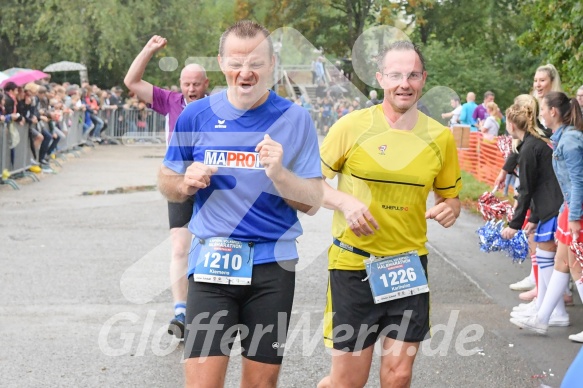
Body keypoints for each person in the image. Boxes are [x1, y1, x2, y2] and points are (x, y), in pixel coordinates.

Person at [158, 20, 322, 387]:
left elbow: (313, 201)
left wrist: (281, 174)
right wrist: (184, 183)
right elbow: (166, 179)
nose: (245, 73)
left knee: (261, 385)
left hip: (272, 267)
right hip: (212, 264)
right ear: (220, 62)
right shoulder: (196, 115)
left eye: (256, 63)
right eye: (236, 63)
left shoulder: (294, 120)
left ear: (272, 64)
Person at [317, 40, 462, 388]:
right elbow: (311, 185)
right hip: (354, 265)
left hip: (408, 268)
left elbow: (451, 198)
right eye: (396, 75)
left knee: (398, 376)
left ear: (423, 79)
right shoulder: (351, 127)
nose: (404, 83)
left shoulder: (439, 137)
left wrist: (450, 210)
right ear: (380, 78)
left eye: (412, 75)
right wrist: (344, 203)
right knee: (347, 381)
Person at [124, 35, 210, 339]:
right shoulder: (170, 100)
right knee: (178, 247)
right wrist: (148, 49)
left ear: (206, 83)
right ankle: (181, 311)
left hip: (214, 183)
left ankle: (214, 306)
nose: (190, 89)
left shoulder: (218, 106)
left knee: (213, 245)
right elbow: (132, 81)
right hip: (179, 182)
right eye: (186, 84)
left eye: (196, 84)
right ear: (180, 84)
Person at [510, 91, 583, 342]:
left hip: (576, 212)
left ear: (553, 112)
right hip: (569, 211)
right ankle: (543, 319)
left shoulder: (571, 140)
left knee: (575, 267)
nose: (540, 114)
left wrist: (573, 215)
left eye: (543, 109)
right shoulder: (562, 138)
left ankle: (543, 318)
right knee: (564, 264)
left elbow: (577, 181)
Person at [496, 64, 564, 298]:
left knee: (563, 259)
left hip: (554, 206)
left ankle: (549, 301)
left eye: (542, 80)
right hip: (547, 206)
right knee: (554, 255)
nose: (537, 84)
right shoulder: (529, 144)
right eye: (535, 79)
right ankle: (544, 298)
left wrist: (515, 224)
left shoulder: (533, 145)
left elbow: (528, 187)